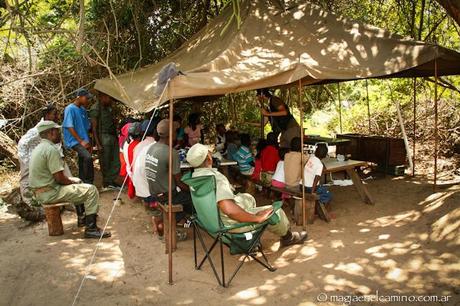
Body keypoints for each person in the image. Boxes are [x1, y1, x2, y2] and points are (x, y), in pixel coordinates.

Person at [186, 143, 307, 247]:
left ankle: (252, 241)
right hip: (229, 226)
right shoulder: (216, 179)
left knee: (248, 198)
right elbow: (229, 210)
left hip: (210, 225)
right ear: (208, 158)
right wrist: (256, 218)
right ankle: (288, 238)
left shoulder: (195, 178)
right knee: (276, 212)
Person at [29, 121, 110, 238]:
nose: (60, 133)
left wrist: (73, 180)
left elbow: (55, 176)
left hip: (41, 191)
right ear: (51, 132)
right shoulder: (51, 150)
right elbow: (60, 178)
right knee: (91, 190)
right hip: (50, 192)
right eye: (57, 131)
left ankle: (82, 218)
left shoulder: (39, 148)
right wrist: (71, 181)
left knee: (79, 182)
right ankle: (91, 228)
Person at [145, 119, 193, 239]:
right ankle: (164, 225)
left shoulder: (151, 148)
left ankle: (165, 221)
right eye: (176, 131)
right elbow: (179, 183)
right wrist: (192, 190)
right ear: (171, 134)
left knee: (183, 195)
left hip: (154, 192)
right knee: (193, 200)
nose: (177, 134)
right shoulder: (171, 153)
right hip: (167, 195)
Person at [18, 104, 60, 207]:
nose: (57, 116)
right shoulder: (37, 129)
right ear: (47, 115)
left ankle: (40, 201)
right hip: (27, 157)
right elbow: (22, 143)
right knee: (26, 180)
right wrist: (26, 161)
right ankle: (28, 204)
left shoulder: (52, 127)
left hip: (39, 157)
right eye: (54, 114)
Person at [89, 91, 120, 189]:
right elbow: (94, 128)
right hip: (103, 137)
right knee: (105, 161)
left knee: (115, 160)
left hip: (112, 136)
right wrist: (98, 144)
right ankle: (106, 182)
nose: (110, 99)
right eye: (108, 97)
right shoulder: (95, 108)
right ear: (102, 96)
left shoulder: (108, 107)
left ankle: (112, 180)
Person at [63, 88, 94, 184]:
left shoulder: (83, 110)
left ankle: (82, 181)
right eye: (86, 98)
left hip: (84, 139)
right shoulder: (70, 109)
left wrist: (89, 141)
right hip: (74, 140)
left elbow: (86, 126)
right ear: (79, 97)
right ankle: (88, 182)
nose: (88, 100)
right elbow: (69, 126)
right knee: (87, 158)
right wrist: (81, 141)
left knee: (82, 159)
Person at [301, 143, 332, 220]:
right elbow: (316, 179)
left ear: (316, 152)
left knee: (321, 190)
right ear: (325, 155)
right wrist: (312, 191)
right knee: (329, 195)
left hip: (302, 185)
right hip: (310, 187)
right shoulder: (319, 165)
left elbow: (323, 167)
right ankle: (319, 212)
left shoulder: (311, 158)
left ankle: (317, 207)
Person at [132, 120, 158, 202]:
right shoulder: (155, 145)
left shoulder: (138, 146)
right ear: (155, 131)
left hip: (138, 183)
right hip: (149, 185)